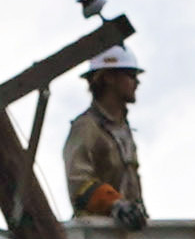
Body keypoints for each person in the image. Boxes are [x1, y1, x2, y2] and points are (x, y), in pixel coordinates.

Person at [61, 56, 144, 228]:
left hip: (125, 233)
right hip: (98, 235)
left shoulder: (122, 129)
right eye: (130, 75)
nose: (137, 82)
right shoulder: (86, 127)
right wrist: (115, 204)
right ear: (108, 78)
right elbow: (79, 183)